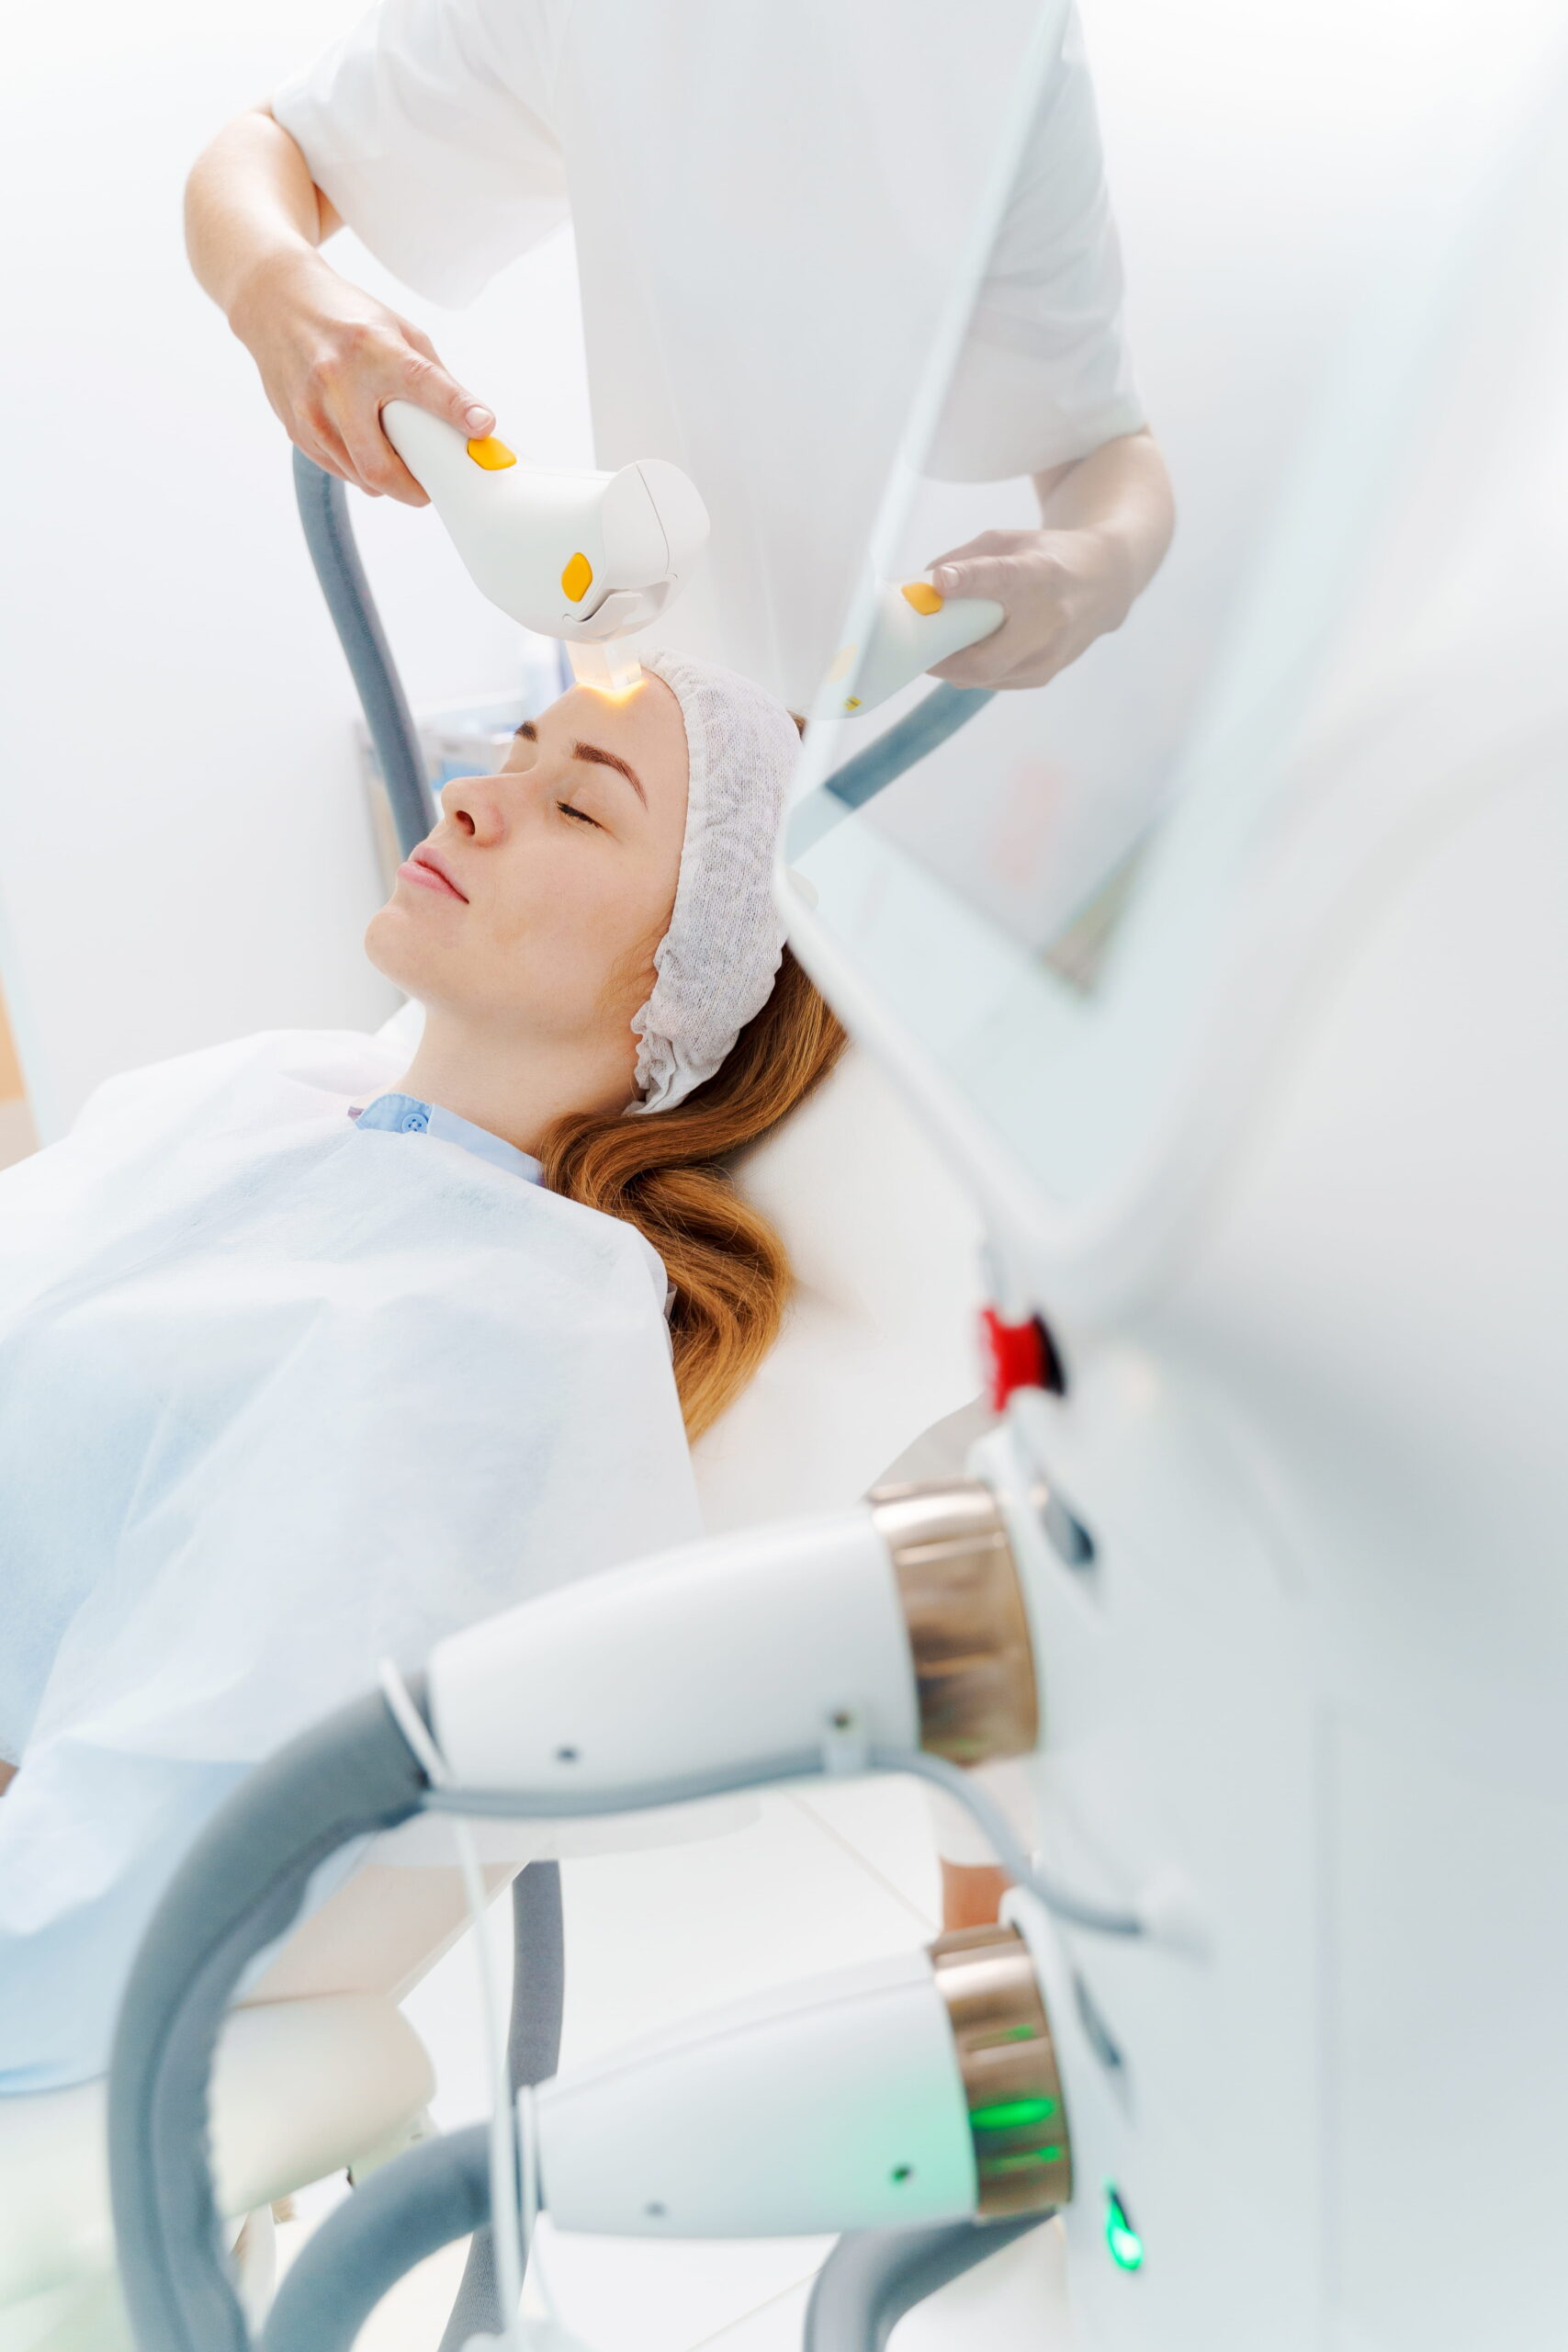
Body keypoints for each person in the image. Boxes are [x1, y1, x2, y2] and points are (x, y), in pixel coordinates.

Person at [0, 652, 844, 2092]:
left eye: (578, 808)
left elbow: (117, 1911)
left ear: (692, 981)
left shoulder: (489, 1335)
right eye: (515, 752)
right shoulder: (288, 1099)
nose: (469, 799)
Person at [185, 0, 1174, 712]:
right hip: (667, 724)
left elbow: (1104, 454)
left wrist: (1100, 567)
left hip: (820, 772)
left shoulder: (1010, 39)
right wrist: (283, 293)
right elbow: (264, 153)